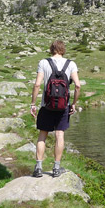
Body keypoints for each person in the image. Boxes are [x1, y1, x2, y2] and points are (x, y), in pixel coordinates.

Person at [30, 40, 80, 178]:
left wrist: (33, 104)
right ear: (63, 49)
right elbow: (77, 86)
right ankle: (56, 168)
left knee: (42, 135)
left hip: (46, 105)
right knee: (60, 135)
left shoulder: (43, 63)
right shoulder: (71, 64)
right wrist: (74, 104)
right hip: (63, 106)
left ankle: (38, 168)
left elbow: (37, 84)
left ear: (51, 49)